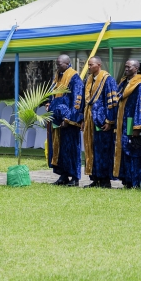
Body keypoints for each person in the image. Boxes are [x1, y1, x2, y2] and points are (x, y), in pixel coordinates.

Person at [113, 59, 141, 189]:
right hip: (124, 122)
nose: (126, 68)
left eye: (129, 67)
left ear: (136, 68)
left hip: (132, 122)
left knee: (135, 150)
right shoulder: (124, 82)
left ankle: (139, 181)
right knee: (126, 150)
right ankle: (128, 180)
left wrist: (138, 126)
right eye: (125, 66)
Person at [81, 56, 119, 188]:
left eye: (91, 64)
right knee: (91, 149)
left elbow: (113, 102)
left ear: (99, 64)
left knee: (103, 150)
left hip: (102, 122)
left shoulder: (108, 80)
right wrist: (83, 120)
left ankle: (104, 179)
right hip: (90, 119)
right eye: (88, 65)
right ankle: (95, 177)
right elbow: (84, 102)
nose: (89, 67)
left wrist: (109, 120)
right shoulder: (88, 80)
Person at [47, 54, 84, 186]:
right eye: (56, 64)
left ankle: (74, 178)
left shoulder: (74, 78)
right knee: (60, 149)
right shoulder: (57, 77)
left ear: (67, 63)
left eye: (59, 64)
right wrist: (49, 106)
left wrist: (69, 119)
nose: (57, 66)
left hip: (69, 121)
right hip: (57, 120)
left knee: (71, 149)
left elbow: (77, 100)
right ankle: (63, 176)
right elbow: (51, 95)